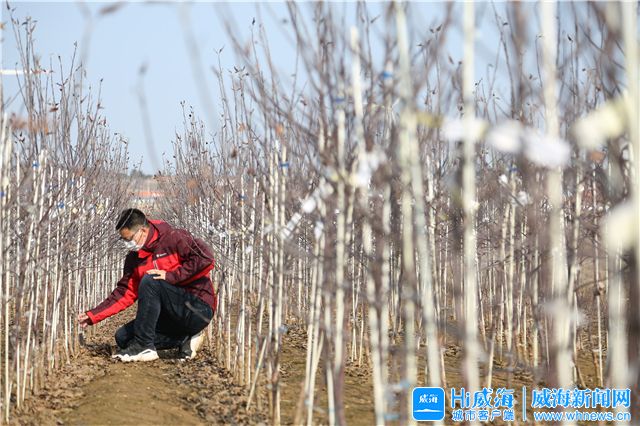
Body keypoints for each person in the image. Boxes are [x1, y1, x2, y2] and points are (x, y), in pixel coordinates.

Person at [77, 208, 216, 362]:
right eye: (124, 240)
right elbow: (125, 292)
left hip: (197, 309)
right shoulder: (134, 258)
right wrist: (93, 315)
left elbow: (206, 258)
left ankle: (144, 347)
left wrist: (171, 276)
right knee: (123, 337)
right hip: (170, 318)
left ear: (143, 230)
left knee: (151, 279)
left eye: (129, 239)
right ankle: (185, 339)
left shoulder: (174, 238)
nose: (127, 245)